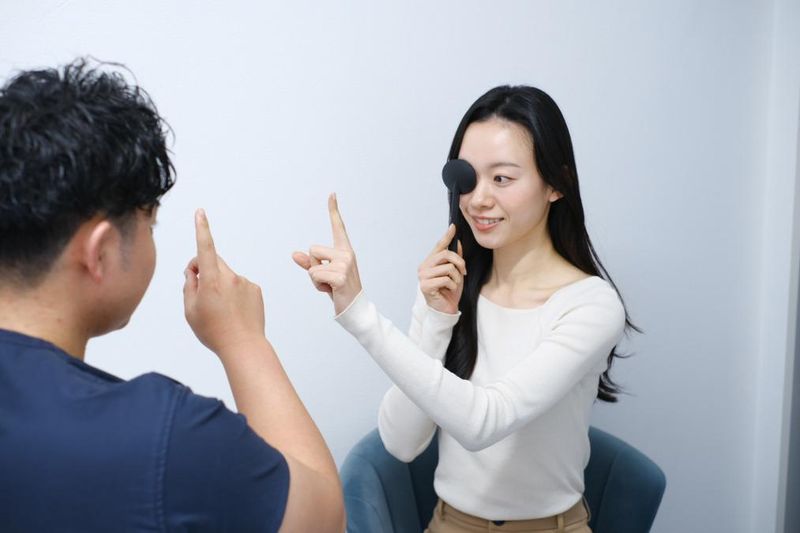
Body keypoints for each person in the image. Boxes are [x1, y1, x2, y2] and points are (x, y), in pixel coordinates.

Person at [0, 59, 345, 532]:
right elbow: (325, 518)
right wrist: (243, 340)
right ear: (100, 252)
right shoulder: (164, 438)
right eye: (150, 224)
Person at [293, 86, 636, 533]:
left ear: (556, 184)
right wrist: (436, 320)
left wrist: (358, 314)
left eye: (503, 179)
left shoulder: (590, 305)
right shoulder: (453, 284)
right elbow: (400, 441)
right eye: (469, 178)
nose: (477, 200)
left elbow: (484, 423)